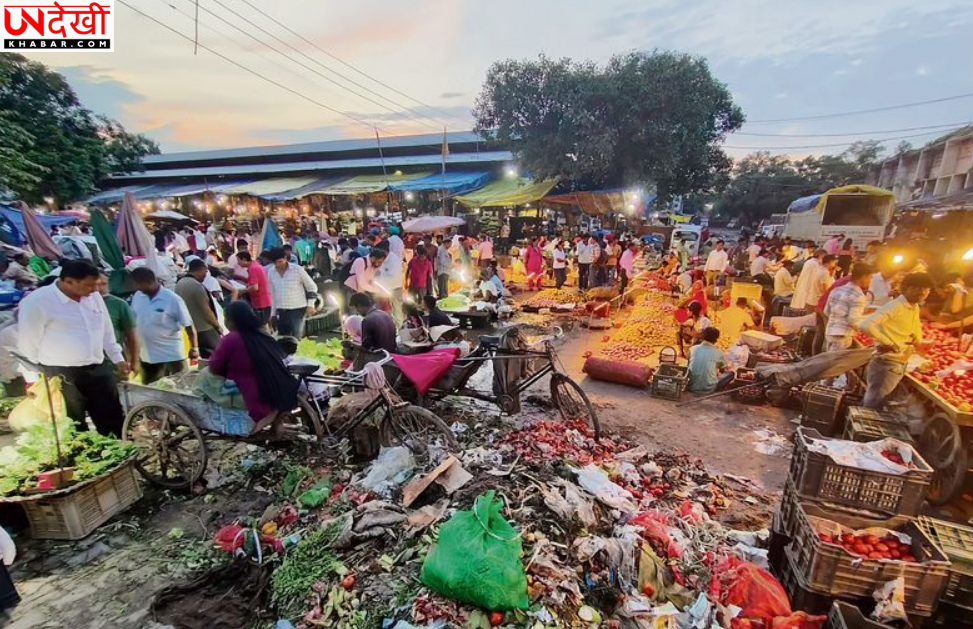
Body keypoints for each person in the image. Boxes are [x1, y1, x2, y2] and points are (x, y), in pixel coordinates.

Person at [17, 260, 129, 435]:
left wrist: (118, 358)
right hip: (61, 372)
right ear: (68, 281)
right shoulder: (37, 302)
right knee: (73, 423)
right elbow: (27, 344)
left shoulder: (93, 297)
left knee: (112, 415)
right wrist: (32, 379)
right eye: (89, 285)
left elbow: (105, 330)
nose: (94, 290)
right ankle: (86, 457)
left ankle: (120, 454)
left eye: (96, 285)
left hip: (97, 366)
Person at [208, 301, 299, 428]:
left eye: (226, 318)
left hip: (257, 400)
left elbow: (215, 367)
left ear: (232, 321)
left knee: (205, 377)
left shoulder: (231, 339)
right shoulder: (263, 335)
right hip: (280, 394)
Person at [859, 273, 934, 408]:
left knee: (878, 399)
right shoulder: (896, 306)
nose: (922, 292)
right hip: (887, 363)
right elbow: (865, 324)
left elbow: (915, 327)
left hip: (898, 362)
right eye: (917, 288)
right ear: (905, 288)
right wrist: (890, 343)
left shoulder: (914, 307)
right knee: (874, 401)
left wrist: (918, 341)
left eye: (926, 289)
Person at [131, 267, 197, 384]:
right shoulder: (137, 296)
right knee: (151, 392)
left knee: (182, 388)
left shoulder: (172, 299)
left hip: (171, 355)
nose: (136, 287)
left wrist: (194, 348)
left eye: (137, 284)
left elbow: (189, 326)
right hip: (147, 356)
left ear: (147, 282)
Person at [175, 259, 222, 358]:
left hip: (191, 328)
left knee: (204, 359)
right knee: (216, 358)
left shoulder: (179, 283)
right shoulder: (197, 286)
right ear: (200, 270)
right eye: (205, 272)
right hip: (206, 329)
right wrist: (217, 326)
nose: (205, 276)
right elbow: (206, 310)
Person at [267, 247, 318, 338]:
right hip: (281, 310)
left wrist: (311, 305)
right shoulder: (271, 272)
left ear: (286, 258)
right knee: (283, 339)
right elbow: (272, 294)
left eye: (280, 261)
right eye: (276, 263)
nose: (279, 265)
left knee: (296, 338)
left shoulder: (297, 270)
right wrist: (272, 313)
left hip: (297, 309)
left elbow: (312, 287)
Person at [823, 263, 873, 352]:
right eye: (870, 277)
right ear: (863, 277)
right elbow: (854, 320)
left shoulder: (837, 290)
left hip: (830, 332)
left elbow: (826, 311)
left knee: (829, 362)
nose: (870, 281)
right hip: (843, 335)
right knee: (836, 364)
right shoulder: (858, 296)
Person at [97, 271, 139, 369]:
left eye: (103, 284)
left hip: (114, 360)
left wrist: (134, 361)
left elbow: (132, 336)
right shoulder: (81, 304)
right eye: (96, 284)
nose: (99, 288)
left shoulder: (119, 305)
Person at [687, 327, 734, 393]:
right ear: (716, 340)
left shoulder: (692, 349)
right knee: (731, 373)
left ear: (703, 337)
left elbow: (689, 365)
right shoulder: (718, 352)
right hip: (709, 388)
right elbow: (723, 369)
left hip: (691, 386)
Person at [236, 251, 272, 326]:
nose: (238, 263)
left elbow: (255, 287)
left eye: (239, 260)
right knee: (264, 324)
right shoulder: (255, 266)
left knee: (261, 325)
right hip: (263, 300)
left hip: (261, 301)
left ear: (244, 259)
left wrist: (242, 292)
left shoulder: (253, 268)